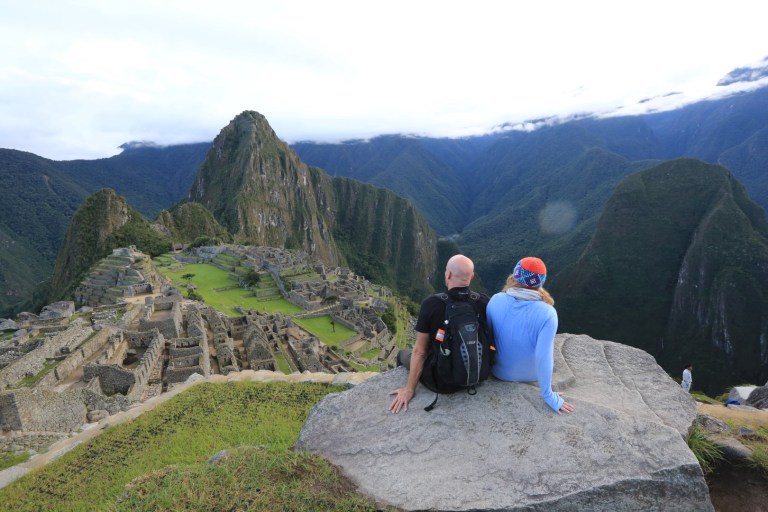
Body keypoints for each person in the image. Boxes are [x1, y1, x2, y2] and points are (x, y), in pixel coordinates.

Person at [389, 254, 488, 413]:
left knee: (402, 353)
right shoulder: (482, 301)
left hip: (442, 382)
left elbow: (420, 352)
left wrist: (409, 390)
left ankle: (405, 383)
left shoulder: (432, 304)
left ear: (448, 274)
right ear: (472, 276)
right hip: (477, 377)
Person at [487, 257, 574, 414]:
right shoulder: (548, 312)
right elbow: (543, 356)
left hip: (499, 372)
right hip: (532, 375)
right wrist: (548, 394)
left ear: (515, 275)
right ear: (540, 282)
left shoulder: (495, 300)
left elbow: (489, 338)